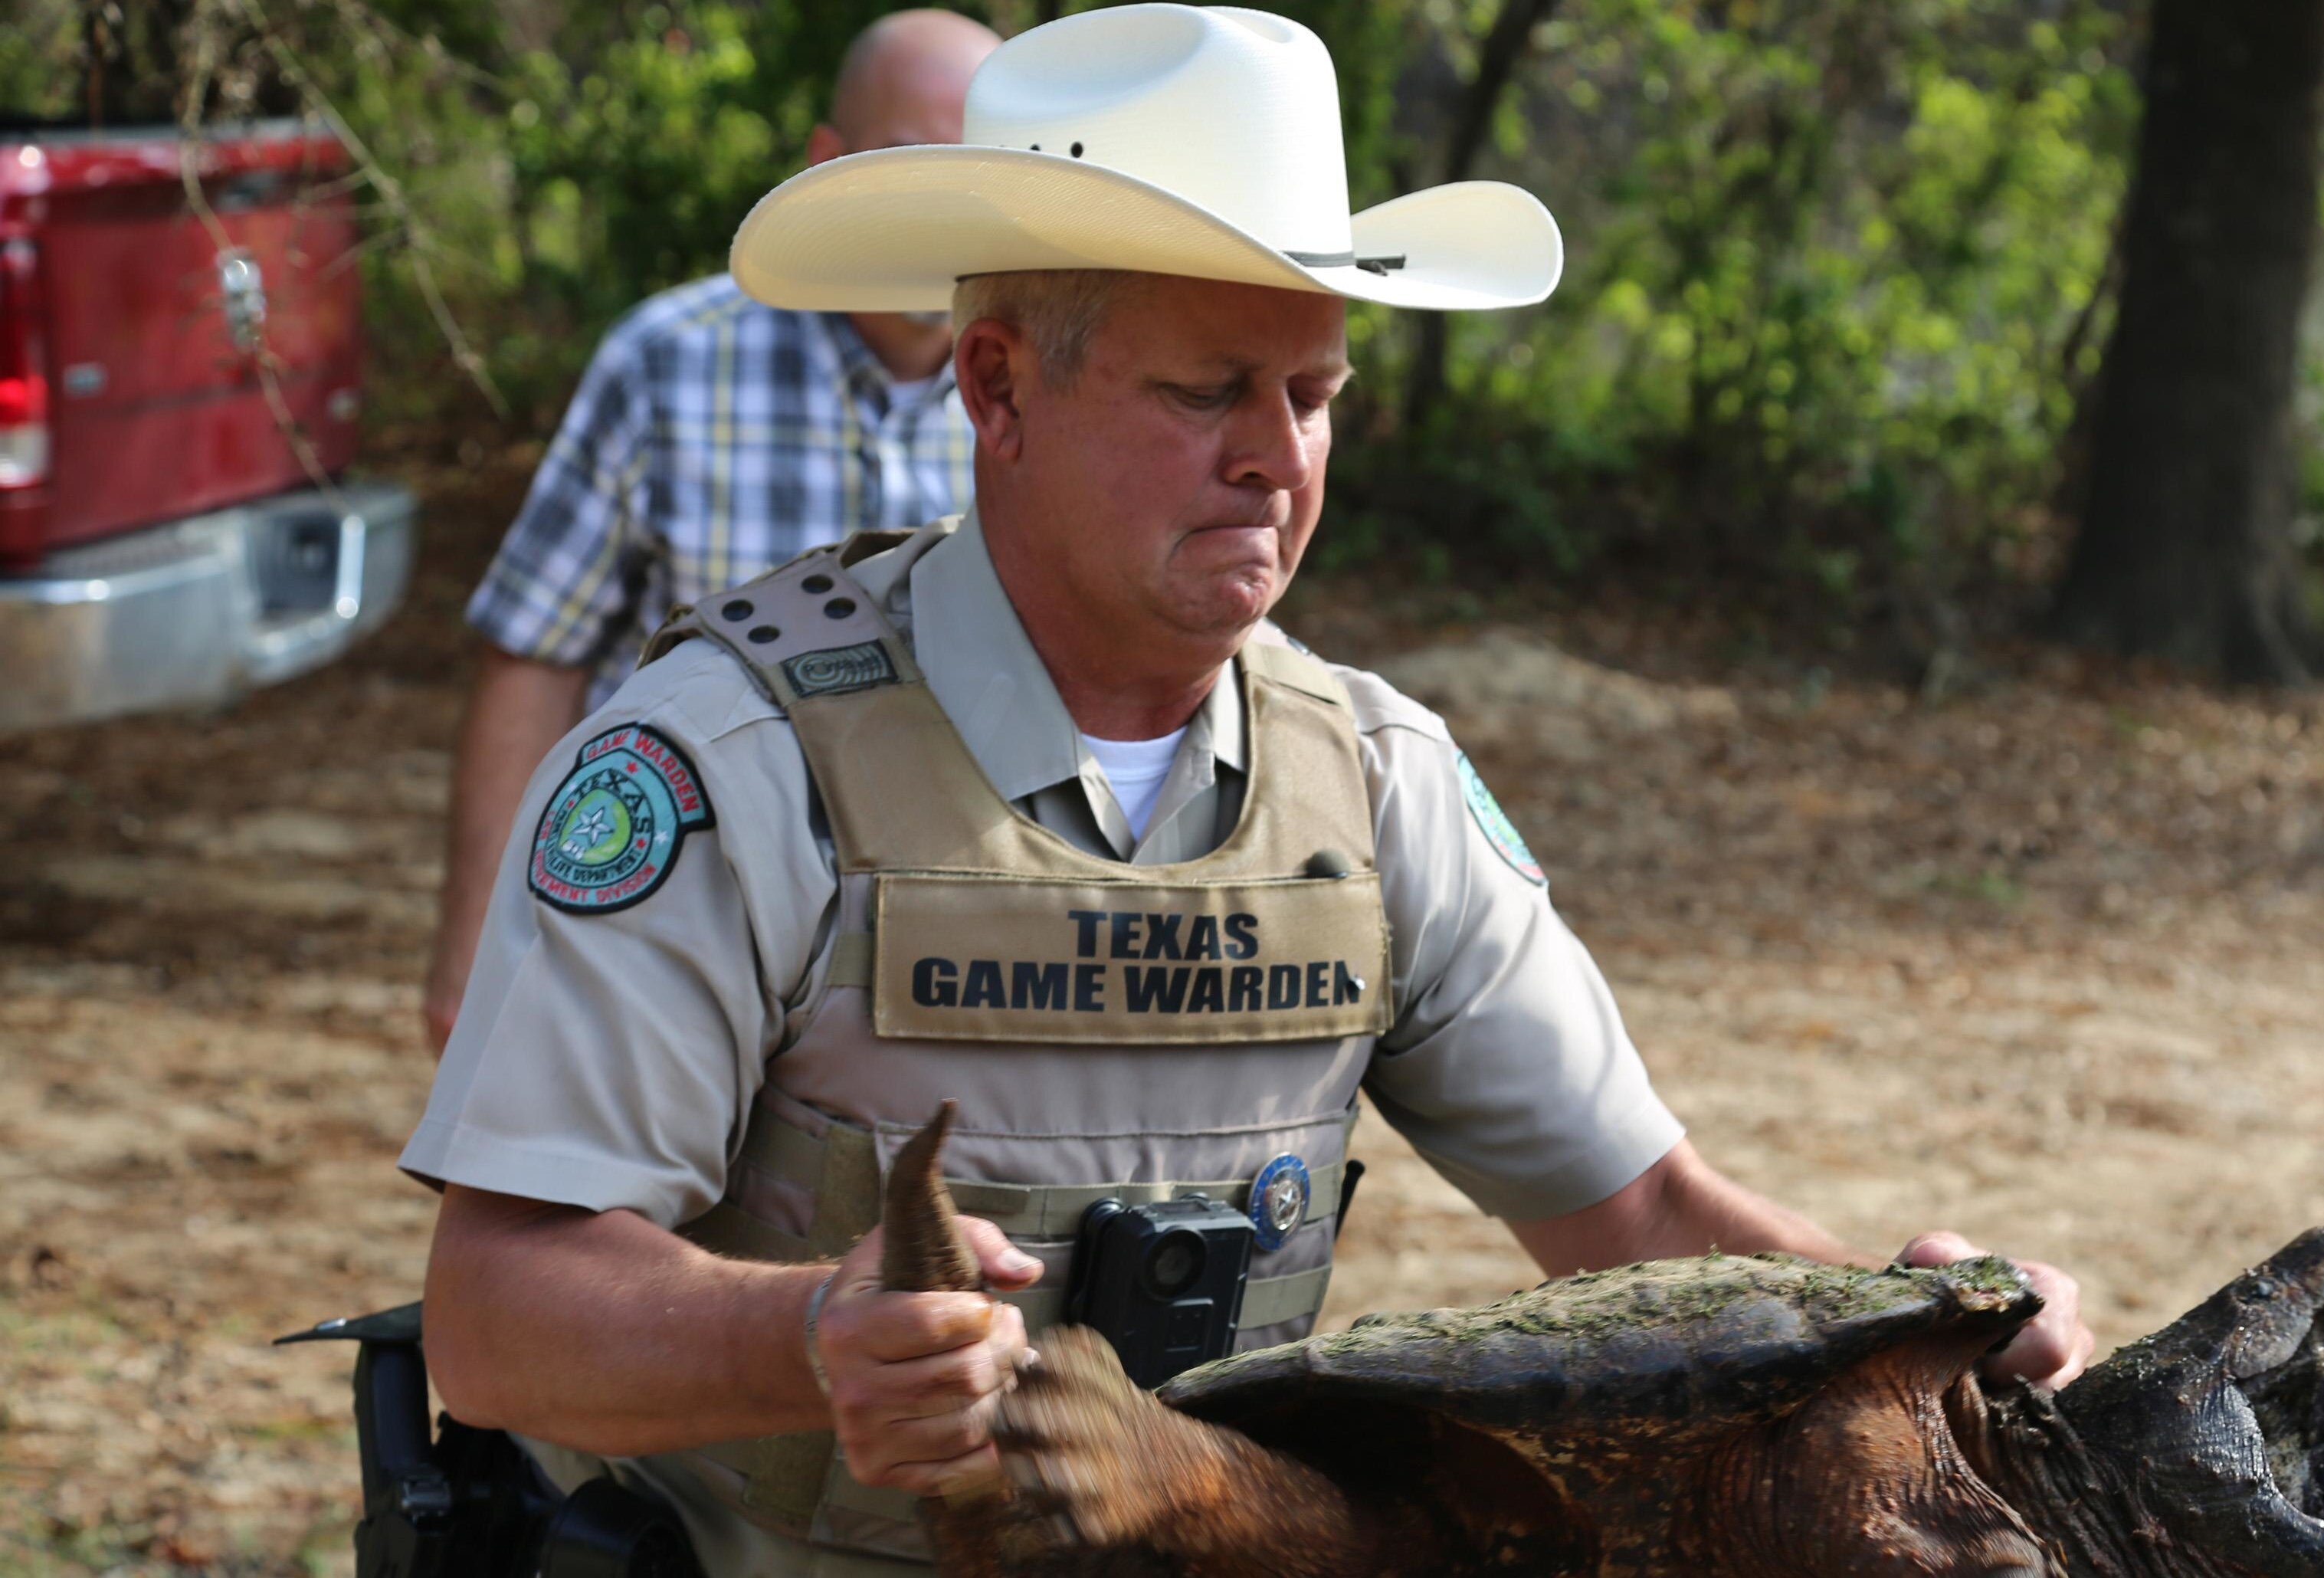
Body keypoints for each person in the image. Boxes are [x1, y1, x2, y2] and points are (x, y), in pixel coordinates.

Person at [402, 7, 2096, 1573]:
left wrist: (1908, 1320)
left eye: (1311, 395)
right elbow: (497, 1310)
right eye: (1205, 390)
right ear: (996, 384)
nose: (1273, 457)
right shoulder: (735, 764)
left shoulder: (1366, 780)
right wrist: (804, 1336)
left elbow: (1638, 1212)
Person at [421, 8, 1002, 1055]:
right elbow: (536, 653)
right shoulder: (672, 362)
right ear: (828, 165)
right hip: (665, 936)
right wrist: (476, 943)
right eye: (917, 163)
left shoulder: (1059, 403)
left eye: (982, 170)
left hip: (946, 961)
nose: (948, 207)